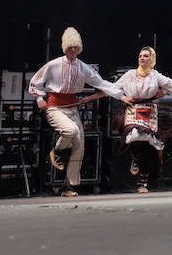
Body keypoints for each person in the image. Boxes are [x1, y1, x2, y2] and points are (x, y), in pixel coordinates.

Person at [28, 27, 125, 196]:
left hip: (72, 107)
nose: (73, 50)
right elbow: (36, 82)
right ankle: (56, 151)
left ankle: (68, 185)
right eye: (70, 47)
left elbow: (102, 84)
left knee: (79, 144)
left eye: (76, 47)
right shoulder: (54, 64)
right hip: (54, 107)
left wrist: (123, 96)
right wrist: (39, 99)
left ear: (80, 48)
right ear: (65, 48)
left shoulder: (84, 68)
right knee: (70, 131)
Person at [100, 46, 172, 193]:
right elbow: (113, 87)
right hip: (133, 108)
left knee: (149, 145)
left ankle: (142, 181)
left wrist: (164, 91)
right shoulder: (130, 74)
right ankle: (135, 157)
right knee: (134, 136)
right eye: (140, 56)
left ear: (152, 59)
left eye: (145, 56)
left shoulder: (156, 75)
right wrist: (123, 97)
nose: (142, 58)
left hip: (150, 110)